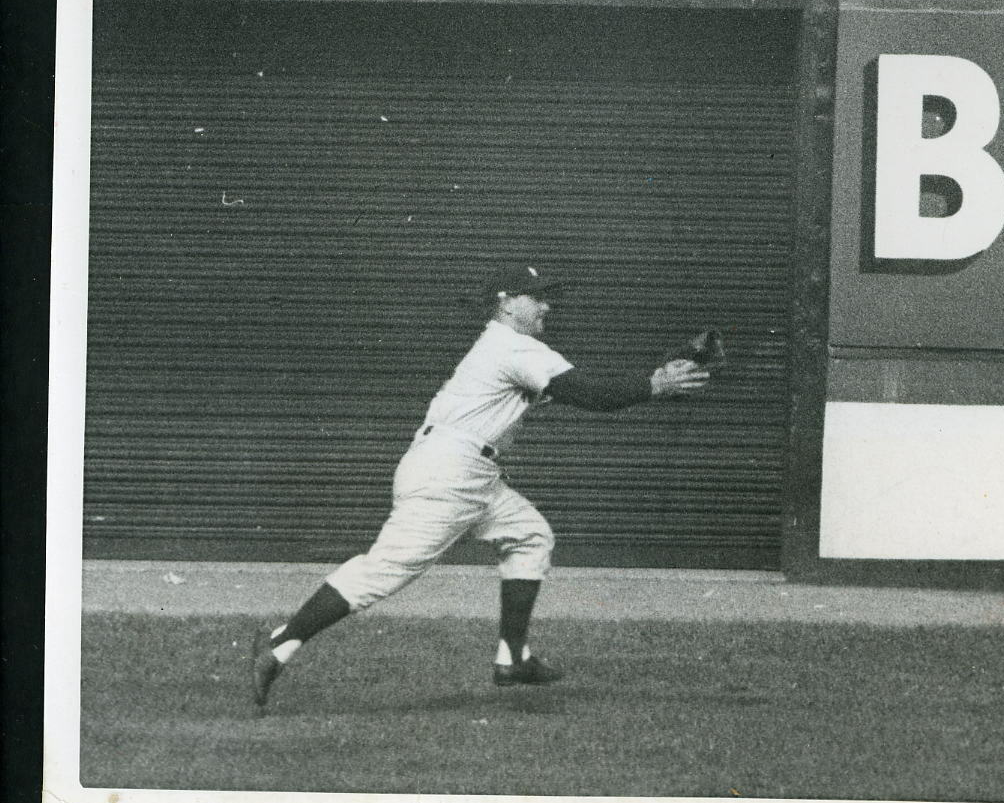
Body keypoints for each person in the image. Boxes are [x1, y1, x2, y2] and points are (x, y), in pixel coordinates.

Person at [251, 264, 711, 707]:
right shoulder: (513, 347)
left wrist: (658, 379)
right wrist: (654, 384)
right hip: (449, 475)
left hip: (467, 472)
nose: (548, 305)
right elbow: (591, 394)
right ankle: (281, 645)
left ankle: (512, 659)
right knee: (384, 572)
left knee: (530, 536)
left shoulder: (506, 346)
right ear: (507, 303)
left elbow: (583, 390)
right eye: (538, 297)